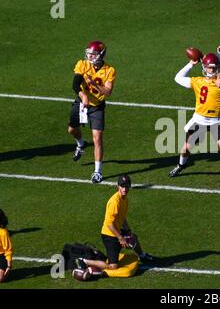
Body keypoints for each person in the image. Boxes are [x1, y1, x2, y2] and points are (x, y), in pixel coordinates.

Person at [170, 53, 220, 193]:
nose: (212, 70)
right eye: (210, 68)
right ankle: (180, 165)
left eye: (214, 68)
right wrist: (191, 64)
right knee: (186, 149)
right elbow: (177, 78)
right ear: (204, 67)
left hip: (217, 121)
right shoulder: (197, 81)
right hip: (199, 120)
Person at [76, 174, 157, 271]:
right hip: (109, 236)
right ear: (118, 186)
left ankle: (142, 256)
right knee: (113, 266)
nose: (124, 189)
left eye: (127, 186)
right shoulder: (115, 202)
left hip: (116, 231)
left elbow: (122, 217)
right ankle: (84, 261)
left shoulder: (124, 199)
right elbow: (109, 224)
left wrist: (127, 230)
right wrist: (121, 238)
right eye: (122, 186)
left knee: (133, 238)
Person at [67, 40, 116, 184]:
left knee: (97, 138)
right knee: (71, 130)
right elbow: (75, 84)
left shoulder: (109, 70)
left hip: (97, 106)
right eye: (89, 53)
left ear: (101, 55)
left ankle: (97, 171)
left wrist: (94, 83)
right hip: (81, 103)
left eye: (93, 54)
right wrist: (83, 96)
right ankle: (80, 144)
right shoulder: (83, 64)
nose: (90, 56)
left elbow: (107, 92)